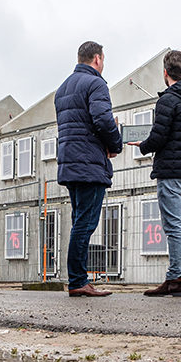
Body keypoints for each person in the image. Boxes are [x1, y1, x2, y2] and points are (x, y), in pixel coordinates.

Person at [131, 50, 181, 297]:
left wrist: (142, 146)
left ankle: (174, 278)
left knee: (174, 226)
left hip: (171, 172)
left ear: (165, 73)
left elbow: (159, 137)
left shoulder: (167, 101)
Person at [55, 40, 122, 298]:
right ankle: (77, 281)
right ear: (97, 59)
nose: (103, 64)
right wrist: (114, 144)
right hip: (89, 164)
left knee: (78, 221)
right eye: (103, 59)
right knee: (85, 223)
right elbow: (103, 119)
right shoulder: (96, 84)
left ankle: (78, 279)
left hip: (70, 162)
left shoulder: (62, 89)